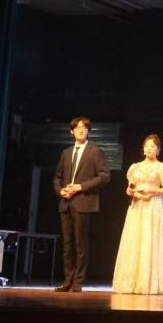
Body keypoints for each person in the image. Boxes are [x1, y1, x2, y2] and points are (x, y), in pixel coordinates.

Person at [52, 116, 110, 292]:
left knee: (80, 245)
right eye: (77, 127)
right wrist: (60, 190)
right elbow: (57, 177)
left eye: (84, 127)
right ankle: (67, 280)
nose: (81, 130)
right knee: (67, 245)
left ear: (88, 131)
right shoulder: (66, 152)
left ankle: (78, 281)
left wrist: (80, 187)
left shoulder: (95, 151)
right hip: (66, 203)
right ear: (72, 131)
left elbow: (104, 176)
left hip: (83, 202)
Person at [112, 134, 163, 294]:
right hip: (136, 207)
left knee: (149, 240)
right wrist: (135, 193)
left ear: (158, 150)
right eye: (146, 146)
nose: (149, 149)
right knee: (134, 240)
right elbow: (129, 188)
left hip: (153, 208)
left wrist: (152, 190)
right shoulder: (135, 167)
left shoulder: (162, 168)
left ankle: (147, 283)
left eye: (152, 146)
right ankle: (130, 282)